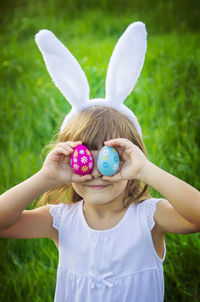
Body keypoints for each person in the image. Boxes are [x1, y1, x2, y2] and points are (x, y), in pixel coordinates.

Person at [0, 22, 200, 302]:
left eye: (109, 159)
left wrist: (145, 170)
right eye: (83, 159)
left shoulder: (149, 218)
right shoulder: (60, 220)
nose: (95, 173)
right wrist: (45, 177)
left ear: (131, 159)